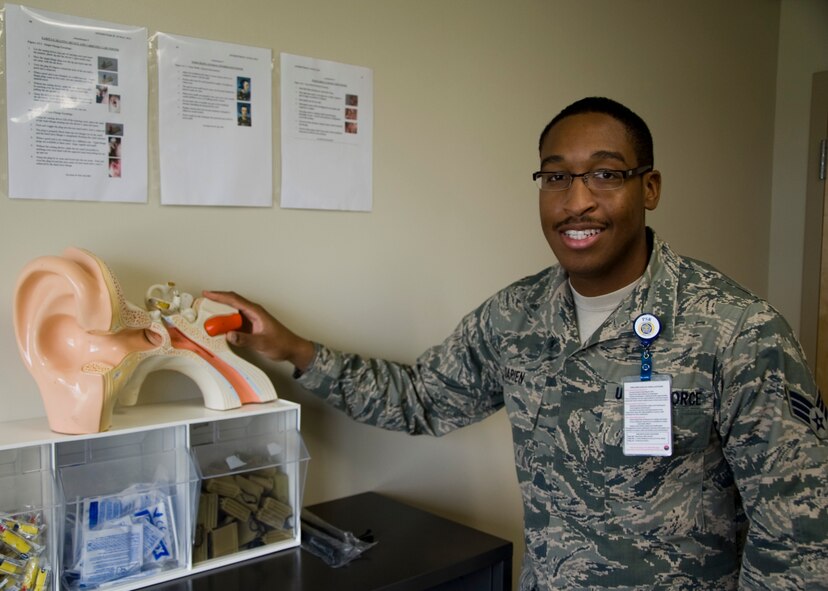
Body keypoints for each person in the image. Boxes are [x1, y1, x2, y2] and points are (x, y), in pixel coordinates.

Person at [205, 97, 828, 590]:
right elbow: (422, 399)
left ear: (650, 187)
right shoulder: (517, 316)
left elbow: (798, 537)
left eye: (605, 174)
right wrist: (292, 350)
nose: (577, 201)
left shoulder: (738, 331)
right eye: (556, 177)